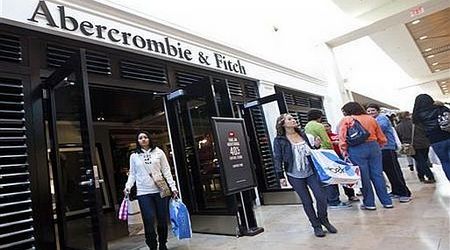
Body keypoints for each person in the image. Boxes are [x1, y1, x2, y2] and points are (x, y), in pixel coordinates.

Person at [273, 113, 337, 237]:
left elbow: (310, 150)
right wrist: (280, 176)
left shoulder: (303, 134)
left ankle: (324, 220)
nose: (293, 120)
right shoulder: (279, 140)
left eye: (293, 118)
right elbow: (278, 158)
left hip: (311, 172)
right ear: (282, 123)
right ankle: (316, 226)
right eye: (289, 119)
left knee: (321, 197)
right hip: (294, 174)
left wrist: (316, 146)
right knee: (307, 201)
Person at [124, 131, 178, 250]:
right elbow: (132, 174)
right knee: (148, 219)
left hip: (160, 191)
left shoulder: (159, 152)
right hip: (143, 192)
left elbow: (166, 171)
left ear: (149, 139)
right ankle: (152, 245)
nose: (143, 139)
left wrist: (173, 187)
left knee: (162, 219)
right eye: (140, 138)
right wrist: (128, 186)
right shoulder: (134, 156)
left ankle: (163, 243)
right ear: (137, 141)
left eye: (145, 137)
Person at [338, 102, 393, 210]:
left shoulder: (347, 120)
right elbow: (381, 136)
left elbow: (342, 136)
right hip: (374, 146)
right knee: (378, 175)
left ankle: (369, 203)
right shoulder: (371, 119)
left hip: (356, 148)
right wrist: (380, 145)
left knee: (363, 177)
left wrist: (343, 150)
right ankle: (387, 201)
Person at [304, 110, 351, 209]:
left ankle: (328, 200)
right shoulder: (319, 126)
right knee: (331, 176)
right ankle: (334, 201)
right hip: (325, 154)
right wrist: (333, 152)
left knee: (323, 177)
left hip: (315, 154)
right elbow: (326, 141)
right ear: (319, 117)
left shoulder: (307, 126)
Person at [366, 103, 412, 203]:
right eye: (368, 111)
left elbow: (378, 129)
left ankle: (404, 193)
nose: (370, 113)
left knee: (394, 171)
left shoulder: (382, 118)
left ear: (378, 111)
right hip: (380, 149)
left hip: (387, 148)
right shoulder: (373, 120)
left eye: (373, 110)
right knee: (388, 171)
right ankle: (396, 191)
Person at [412, 94, 450, 181]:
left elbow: (420, 129)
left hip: (435, 140)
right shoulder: (440, 108)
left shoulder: (417, 115)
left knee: (445, 162)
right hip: (448, 135)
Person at [323, 122, 359, 202]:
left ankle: (351, 195)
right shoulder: (323, 138)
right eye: (324, 127)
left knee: (345, 177)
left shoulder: (336, 135)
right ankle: (334, 197)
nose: (326, 128)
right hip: (330, 159)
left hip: (340, 157)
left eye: (327, 126)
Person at [395, 111, 435, 183]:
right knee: (422, 160)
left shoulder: (398, 127)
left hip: (410, 146)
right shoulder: (416, 123)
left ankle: (429, 176)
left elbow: (399, 138)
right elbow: (425, 132)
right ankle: (421, 176)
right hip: (424, 144)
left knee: (420, 161)